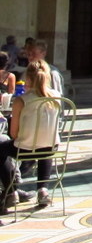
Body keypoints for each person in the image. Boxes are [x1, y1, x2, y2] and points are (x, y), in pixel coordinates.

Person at [0, 61, 61, 211]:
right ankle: (43, 189)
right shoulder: (56, 96)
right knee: (44, 145)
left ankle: (11, 190)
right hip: (51, 147)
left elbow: (14, 133)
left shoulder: (22, 100)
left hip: (25, 148)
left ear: (28, 77)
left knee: (1, 148)